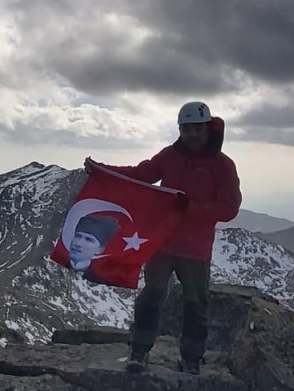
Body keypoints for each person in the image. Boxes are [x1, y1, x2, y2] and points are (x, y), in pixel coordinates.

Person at [86, 101, 241, 375]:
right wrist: (103, 170)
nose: (193, 134)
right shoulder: (170, 156)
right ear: (180, 130)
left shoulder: (222, 165)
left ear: (207, 129)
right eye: (187, 129)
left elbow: (229, 208)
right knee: (152, 296)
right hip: (162, 242)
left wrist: (190, 207)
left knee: (196, 304)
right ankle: (139, 351)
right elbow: (142, 174)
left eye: (197, 129)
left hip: (195, 248)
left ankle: (191, 359)